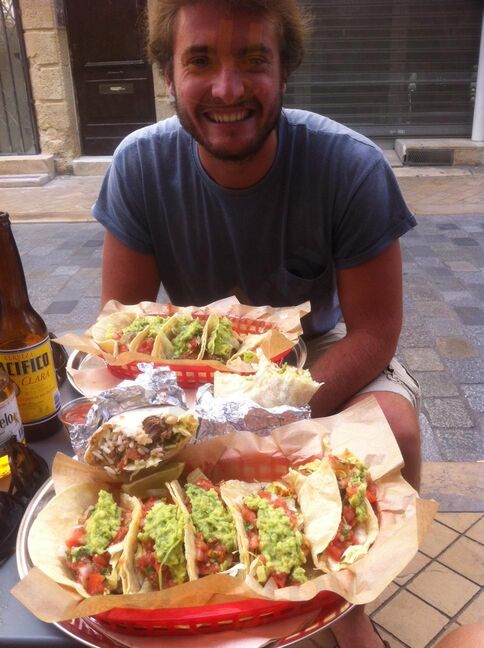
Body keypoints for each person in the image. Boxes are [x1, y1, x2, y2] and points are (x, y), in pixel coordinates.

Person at [93, 2, 421, 646]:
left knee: (398, 427)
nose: (227, 88)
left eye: (253, 60)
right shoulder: (139, 166)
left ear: (284, 70)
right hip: (193, 369)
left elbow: (375, 333)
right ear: (169, 75)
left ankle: (349, 596)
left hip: (320, 351)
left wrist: (272, 417)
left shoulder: (349, 166)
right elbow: (119, 333)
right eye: (200, 61)